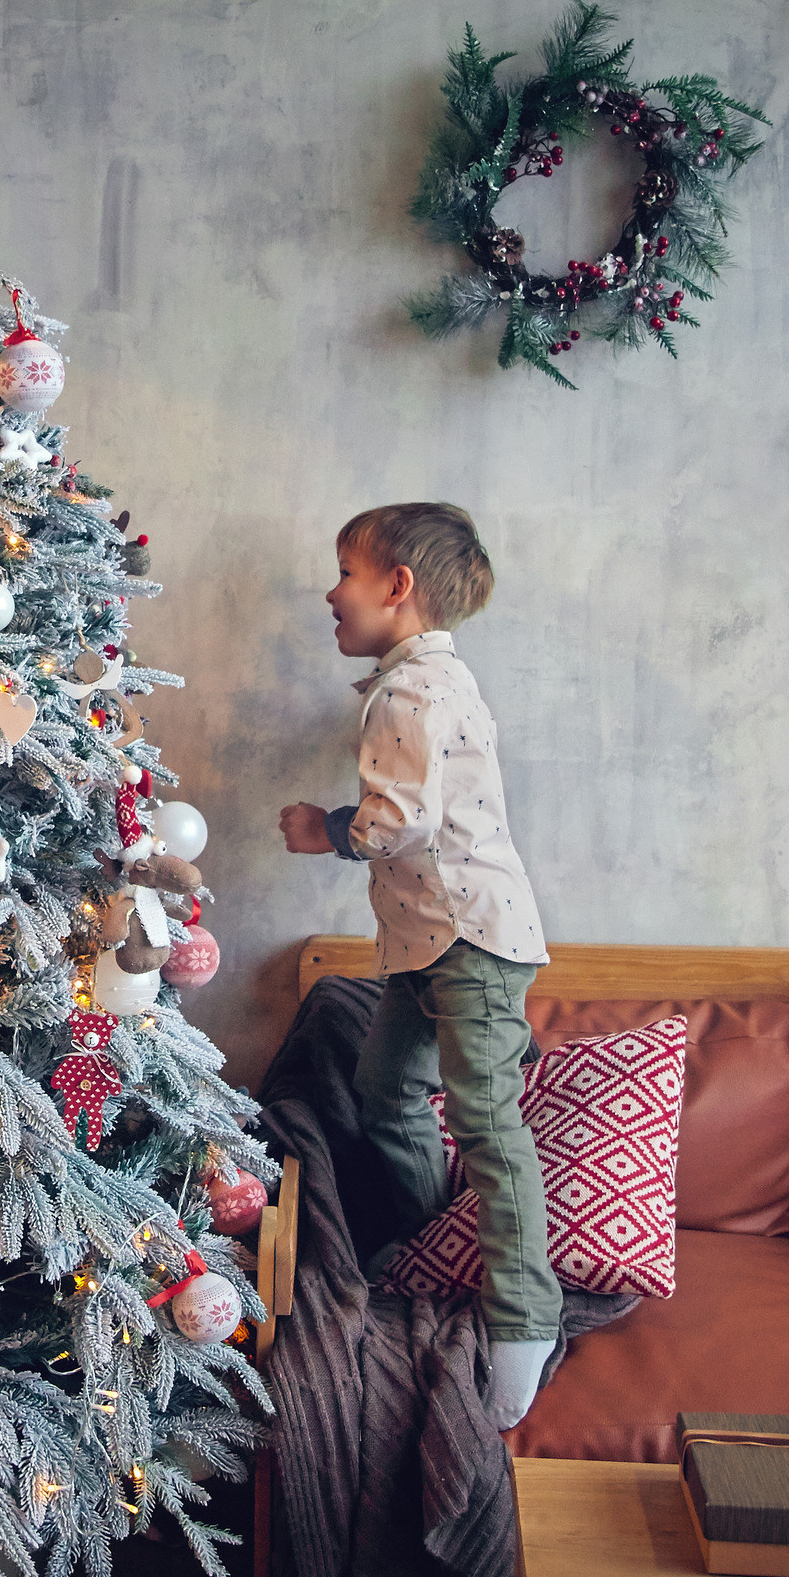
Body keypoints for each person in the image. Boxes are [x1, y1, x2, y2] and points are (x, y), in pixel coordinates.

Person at [277, 502, 559, 1432]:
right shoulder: (424, 681)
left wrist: (327, 828)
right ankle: (416, 1241)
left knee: (486, 1118)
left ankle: (526, 1318)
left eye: (346, 573)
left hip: (469, 939)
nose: (331, 590)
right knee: (387, 1084)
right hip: (428, 942)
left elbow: (402, 821)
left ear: (397, 588)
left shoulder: (407, 693)